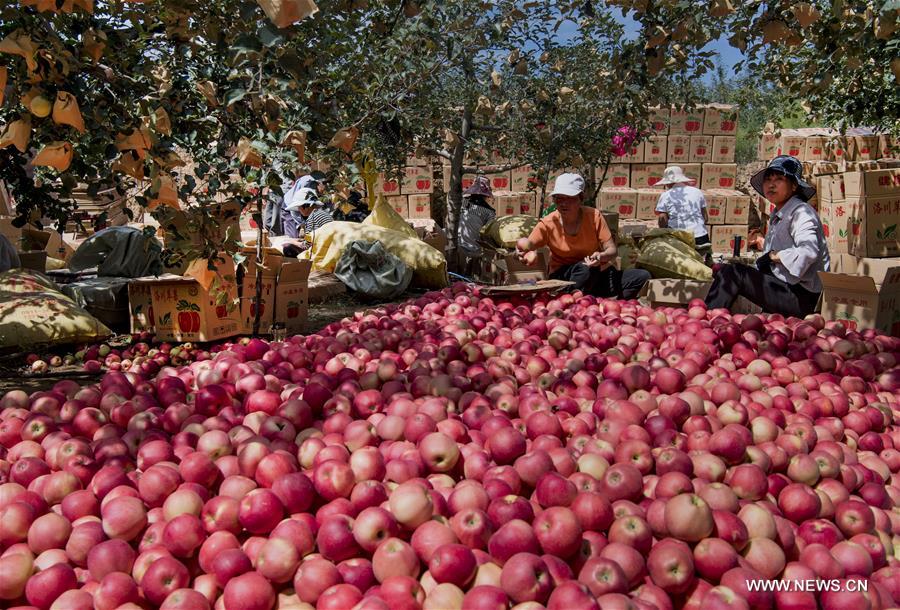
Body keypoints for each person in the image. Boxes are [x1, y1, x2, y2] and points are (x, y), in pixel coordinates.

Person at [704, 155, 829, 317]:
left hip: (801, 298)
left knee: (734, 273)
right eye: (768, 179)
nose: (771, 184)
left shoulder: (801, 213)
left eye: (779, 179)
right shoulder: (781, 214)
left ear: (793, 186)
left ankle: (704, 321)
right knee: (726, 270)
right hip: (784, 288)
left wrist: (772, 256)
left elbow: (808, 252)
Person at [517, 173, 650, 299]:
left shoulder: (594, 217)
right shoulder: (548, 223)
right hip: (564, 277)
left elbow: (612, 250)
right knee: (584, 268)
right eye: (559, 198)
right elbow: (527, 246)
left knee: (642, 276)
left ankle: (588, 297)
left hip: (596, 273)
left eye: (569, 198)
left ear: (581, 198)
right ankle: (576, 296)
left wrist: (601, 256)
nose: (563, 203)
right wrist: (521, 252)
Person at [654, 166, 711, 263]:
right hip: (702, 238)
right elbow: (705, 218)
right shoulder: (697, 192)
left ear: (669, 183)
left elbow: (662, 218)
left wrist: (663, 230)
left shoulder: (666, 195)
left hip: (680, 239)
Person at [458, 176, 497, 277]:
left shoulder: (462, 202)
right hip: (474, 249)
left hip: (457, 245)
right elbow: (488, 234)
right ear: (486, 195)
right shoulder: (489, 212)